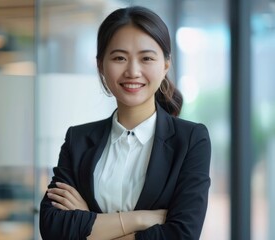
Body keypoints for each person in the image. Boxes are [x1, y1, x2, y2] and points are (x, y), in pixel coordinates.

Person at [39, 5, 211, 240]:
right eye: (119, 58)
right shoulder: (78, 139)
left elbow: (182, 234)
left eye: (146, 58)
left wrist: (87, 220)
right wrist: (140, 219)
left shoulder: (191, 140)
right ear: (100, 65)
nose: (133, 71)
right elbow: (52, 226)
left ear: (165, 66)